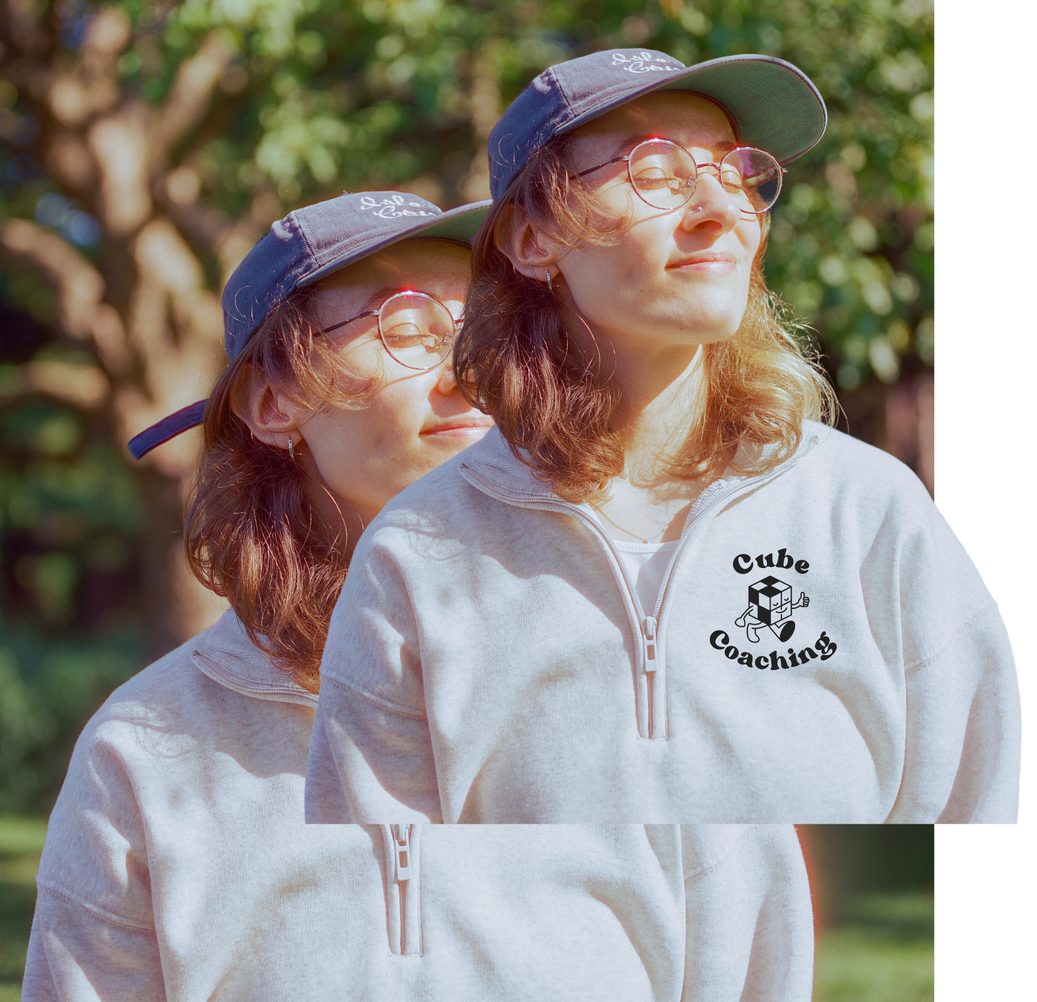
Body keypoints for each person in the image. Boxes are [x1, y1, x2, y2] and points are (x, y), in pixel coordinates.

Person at [23, 186, 815, 1002]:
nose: (466, 370)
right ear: (272, 402)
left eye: (483, 328)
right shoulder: (148, 750)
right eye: (405, 329)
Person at [308, 50, 1021, 826]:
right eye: (655, 171)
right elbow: (381, 909)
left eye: (736, 170)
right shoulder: (415, 557)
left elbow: (981, 850)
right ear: (531, 237)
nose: (721, 208)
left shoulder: (866, 511)